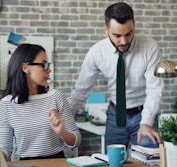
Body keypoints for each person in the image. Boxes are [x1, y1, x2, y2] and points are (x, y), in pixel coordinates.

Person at [67, 2, 164, 149]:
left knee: (150, 160)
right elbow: (81, 91)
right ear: (106, 30)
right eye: (117, 35)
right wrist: (64, 116)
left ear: (134, 26)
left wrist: (146, 122)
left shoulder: (149, 47)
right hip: (115, 115)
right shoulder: (96, 52)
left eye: (129, 33)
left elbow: (154, 89)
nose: (124, 41)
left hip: (143, 113)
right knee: (113, 162)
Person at [0, 44, 81, 160]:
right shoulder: (6, 104)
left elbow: (76, 140)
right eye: (44, 64)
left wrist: (61, 132)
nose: (49, 69)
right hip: (26, 164)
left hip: (57, 162)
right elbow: (5, 149)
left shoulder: (56, 96)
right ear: (25, 67)